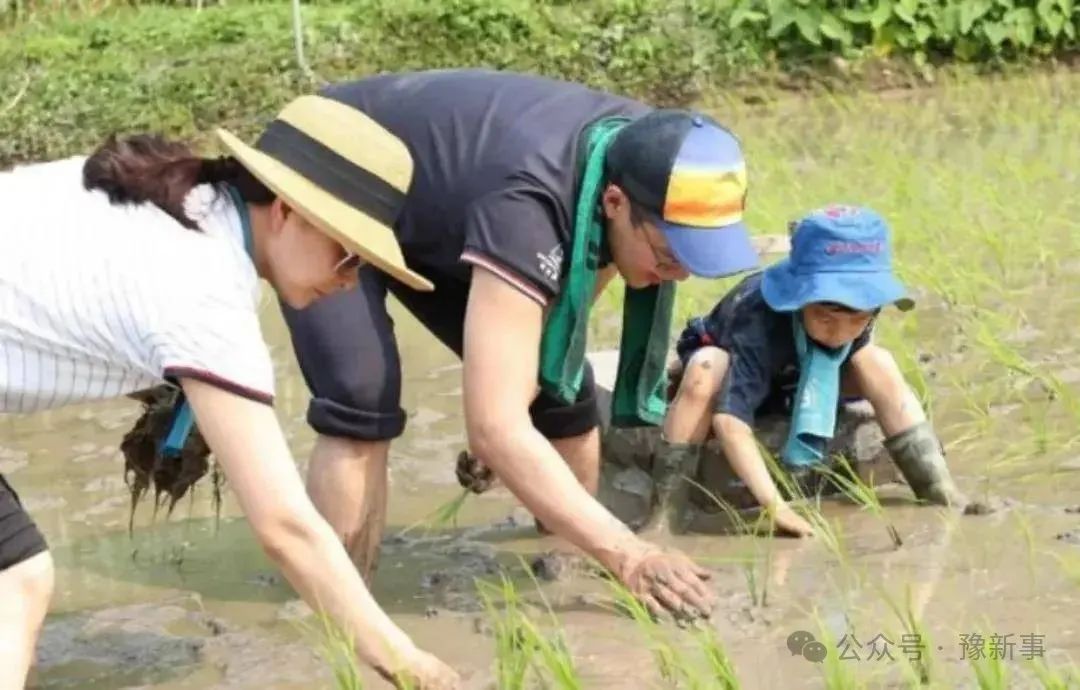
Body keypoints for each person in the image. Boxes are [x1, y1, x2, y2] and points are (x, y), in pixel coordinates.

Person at [0, 95, 459, 689]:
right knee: (15, 579)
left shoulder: (183, 199)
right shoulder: (205, 289)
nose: (349, 282)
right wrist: (411, 665)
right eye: (347, 255)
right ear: (287, 213)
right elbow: (286, 527)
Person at [277, 68, 761, 621]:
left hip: (444, 205)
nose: (674, 275)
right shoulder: (531, 205)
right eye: (668, 254)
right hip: (333, 168)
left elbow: (560, 322)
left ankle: (565, 578)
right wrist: (630, 552)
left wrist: (507, 417)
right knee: (361, 398)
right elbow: (496, 424)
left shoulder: (645, 153)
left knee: (563, 395)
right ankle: (339, 614)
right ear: (614, 203)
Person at [654, 204, 968, 537]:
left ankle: (938, 489)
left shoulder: (861, 314)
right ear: (798, 298)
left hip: (807, 376)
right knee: (707, 367)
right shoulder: (757, 318)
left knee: (878, 362)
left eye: (858, 320)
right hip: (745, 373)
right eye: (825, 318)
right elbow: (729, 421)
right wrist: (777, 508)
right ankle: (664, 514)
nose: (840, 333)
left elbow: (863, 354)